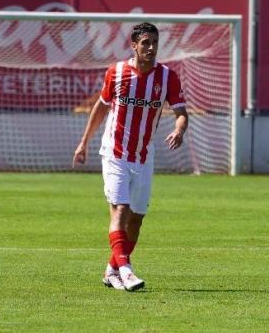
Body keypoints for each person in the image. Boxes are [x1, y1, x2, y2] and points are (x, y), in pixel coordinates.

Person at [72, 22, 188, 292]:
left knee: (136, 219)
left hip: (144, 156)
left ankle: (111, 269)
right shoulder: (117, 72)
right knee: (120, 209)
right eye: (145, 42)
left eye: (154, 43)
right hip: (114, 153)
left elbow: (182, 112)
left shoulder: (168, 77)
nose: (150, 47)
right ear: (134, 45)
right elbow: (100, 110)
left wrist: (179, 130)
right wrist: (83, 143)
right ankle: (126, 270)